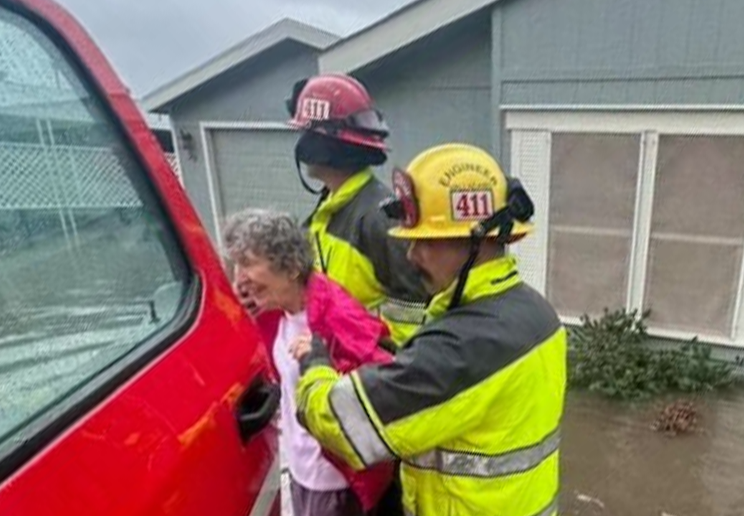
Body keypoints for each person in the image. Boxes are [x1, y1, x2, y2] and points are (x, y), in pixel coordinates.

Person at [291, 143, 567, 516]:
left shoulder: (462, 345)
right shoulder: (536, 312)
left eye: (425, 240)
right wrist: (402, 358)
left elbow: (341, 426)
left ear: (477, 238)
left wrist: (315, 365)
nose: (411, 255)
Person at [223, 208, 397, 516]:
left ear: (290, 267)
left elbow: (386, 380)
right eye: (236, 264)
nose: (239, 276)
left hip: (333, 480)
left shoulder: (335, 313)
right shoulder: (277, 308)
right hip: (301, 467)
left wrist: (325, 366)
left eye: (248, 263)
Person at [285, 73, 428, 347]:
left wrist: (368, 350)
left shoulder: (379, 218)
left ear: (324, 147)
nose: (301, 145)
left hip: (367, 373)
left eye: (307, 133)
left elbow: (414, 314)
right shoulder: (329, 209)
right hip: (330, 364)